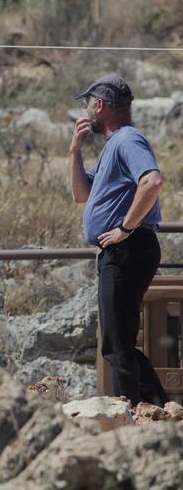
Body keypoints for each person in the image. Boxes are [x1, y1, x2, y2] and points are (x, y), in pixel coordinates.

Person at [70, 74, 168, 407]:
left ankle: (129, 417)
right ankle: (157, 409)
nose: (86, 111)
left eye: (87, 104)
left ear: (100, 106)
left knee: (116, 344)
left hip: (128, 248)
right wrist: (74, 152)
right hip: (123, 250)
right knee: (117, 342)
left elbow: (152, 181)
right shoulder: (115, 146)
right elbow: (81, 194)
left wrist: (125, 228)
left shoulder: (127, 140)